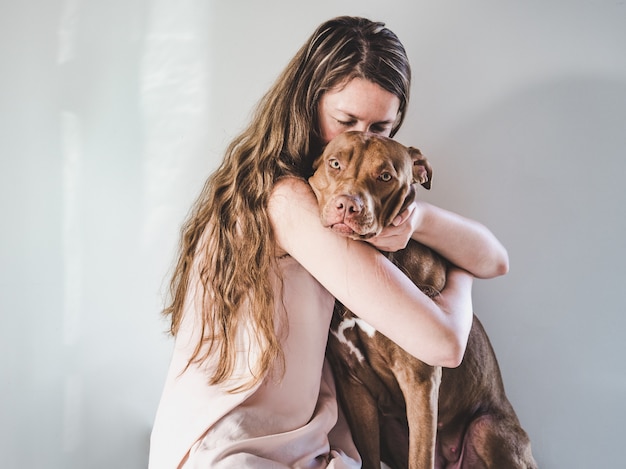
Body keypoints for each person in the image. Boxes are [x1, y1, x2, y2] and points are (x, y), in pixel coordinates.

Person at [149, 16, 509, 469]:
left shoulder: (281, 184)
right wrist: (460, 277)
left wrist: (417, 222)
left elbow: (496, 258)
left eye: (381, 128)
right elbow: (446, 344)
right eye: (346, 120)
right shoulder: (291, 200)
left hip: (274, 446)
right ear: (308, 102)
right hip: (237, 453)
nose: (362, 138)